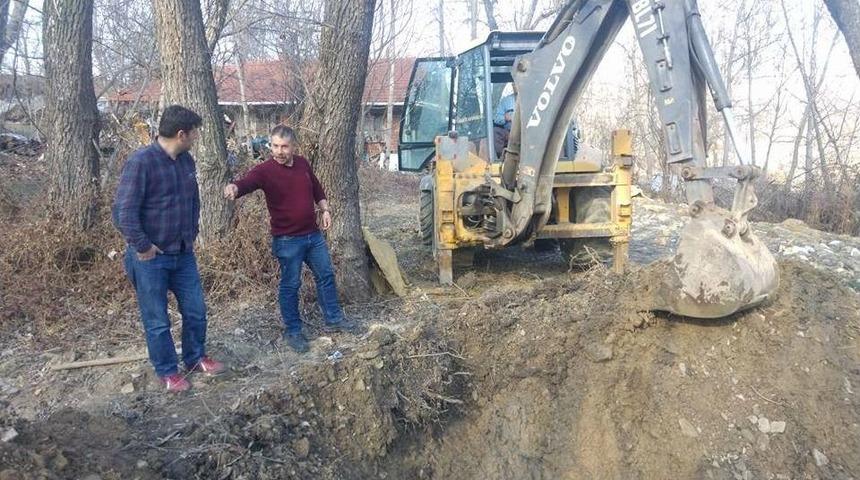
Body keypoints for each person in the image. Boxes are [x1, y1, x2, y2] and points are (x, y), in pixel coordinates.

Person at [113, 105, 225, 393]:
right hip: (151, 259)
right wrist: (144, 246)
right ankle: (167, 372)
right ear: (181, 134)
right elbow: (123, 212)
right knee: (157, 320)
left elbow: (193, 201)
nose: (197, 137)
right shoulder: (141, 162)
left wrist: (192, 233)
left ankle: (195, 357)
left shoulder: (186, 161)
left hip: (183, 253)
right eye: (195, 133)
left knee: (196, 310)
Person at [223, 125, 359, 353]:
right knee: (291, 285)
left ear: (294, 147)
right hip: (287, 241)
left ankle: (334, 320)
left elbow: (316, 188)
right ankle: (293, 331)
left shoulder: (303, 164)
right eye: (275, 146)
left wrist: (325, 209)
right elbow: (247, 182)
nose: (279, 151)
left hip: (313, 236)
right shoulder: (264, 170)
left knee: (325, 275)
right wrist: (235, 187)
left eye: (284, 146)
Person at [493, 92, 516, 159]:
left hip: (528, 131)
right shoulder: (506, 100)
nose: (514, 85)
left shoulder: (533, 99)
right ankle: (501, 159)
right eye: (513, 83)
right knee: (496, 131)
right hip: (510, 133)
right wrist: (505, 118)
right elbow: (496, 118)